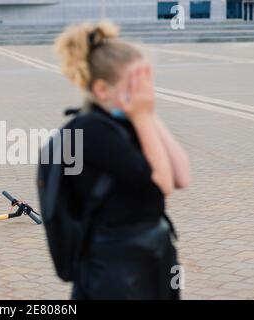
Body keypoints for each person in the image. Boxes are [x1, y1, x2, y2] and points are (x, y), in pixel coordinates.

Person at [54, 21, 191, 299]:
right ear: (103, 90)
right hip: (113, 273)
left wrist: (148, 115)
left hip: (147, 259)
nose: (145, 93)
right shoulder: (89, 131)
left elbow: (182, 176)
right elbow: (161, 184)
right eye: (136, 84)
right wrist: (143, 115)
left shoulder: (130, 122)